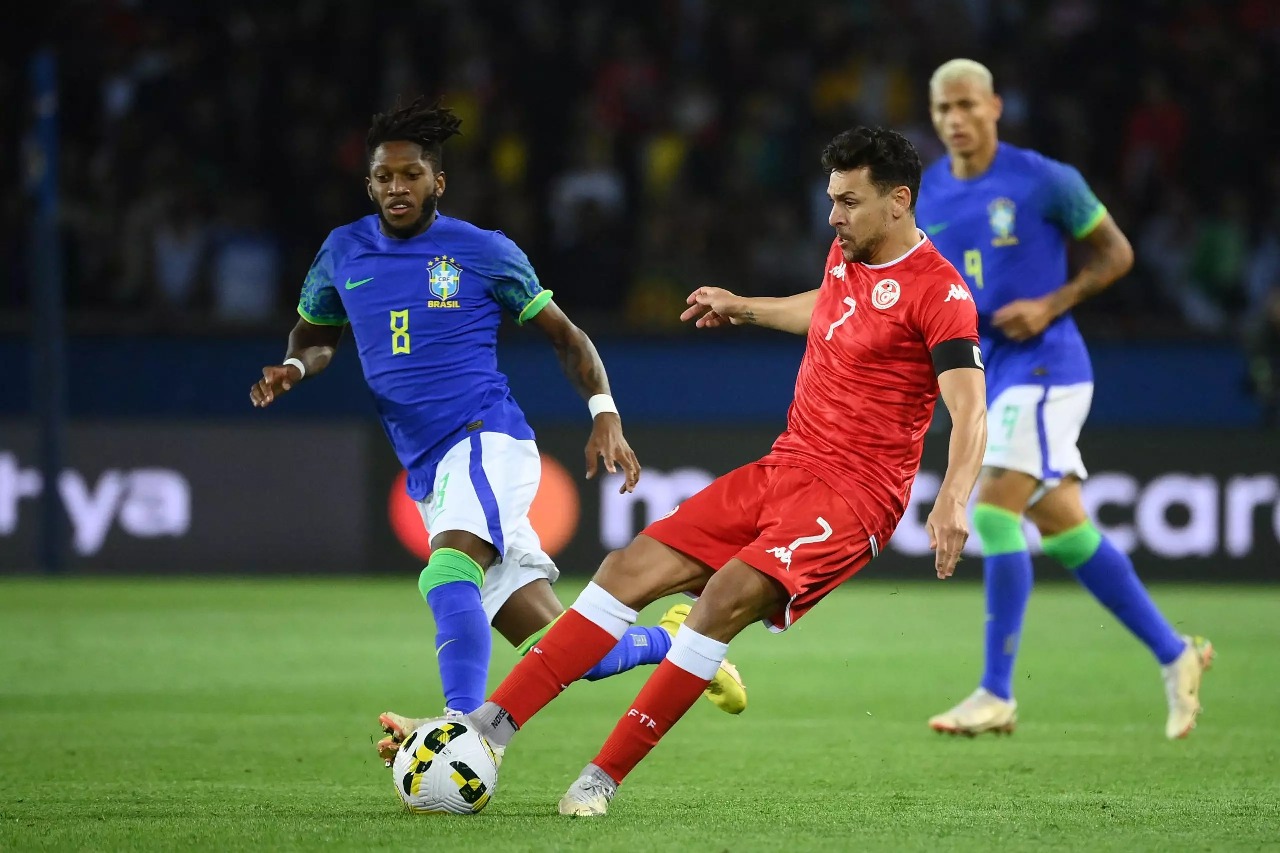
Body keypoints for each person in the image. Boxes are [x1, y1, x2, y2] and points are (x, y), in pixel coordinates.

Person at [461, 126, 988, 816]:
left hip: (855, 497)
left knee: (723, 598)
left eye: (849, 202)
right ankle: (486, 732)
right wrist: (744, 305)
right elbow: (829, 309)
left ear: (899, 201)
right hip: (787, 462)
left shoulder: (941, 294)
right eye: (831, 200)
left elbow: (971, 408)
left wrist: (951, 498)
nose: (833, 216)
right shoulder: (846, 254)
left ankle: (599, 778)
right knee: (625, 568)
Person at [248, 98, 747, 760]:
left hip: (485, 439)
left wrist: (605, 414)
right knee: (568, 648)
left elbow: (568, 338)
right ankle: (682, 641)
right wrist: (293, 365)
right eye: (384, 177)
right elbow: (317, 337)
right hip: (428, 465)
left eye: (411, 174)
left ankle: (462, 732)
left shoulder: (482, 253)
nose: (397, 187)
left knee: (446, 568)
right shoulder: (342, 251)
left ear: (438, 182)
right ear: (368, 183)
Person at [917, 59, 1212, 740]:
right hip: (991, 372)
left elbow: (1116, 253)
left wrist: (1053, 301)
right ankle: (1177, 653)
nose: (955, 120)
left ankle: (996, 691)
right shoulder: (926, 196)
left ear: (994, 105)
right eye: (942, 110)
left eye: (966, 105)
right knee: (1066, 528)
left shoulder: (1047, 179)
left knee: (991, 512)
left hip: (1050, 365)